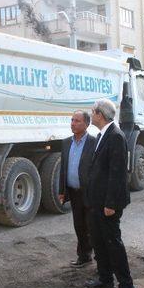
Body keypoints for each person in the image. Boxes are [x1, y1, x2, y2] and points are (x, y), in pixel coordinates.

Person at [84, 98, 135, 288]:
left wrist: (111, 204)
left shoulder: (115, 136)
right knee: (98, 241)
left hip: (108, 203)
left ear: (100, 114)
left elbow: (117, 173)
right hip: (97, 201)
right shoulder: (101, 135)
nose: (91, 114)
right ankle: (105, 278)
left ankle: (126, 285)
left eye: (93, 111)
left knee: (113, 243)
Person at [58, 110, 97, 268]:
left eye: (77, 121)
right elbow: (64, 168)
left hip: (89, 192)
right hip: (74, 192)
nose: (73, 123)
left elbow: (97, 169)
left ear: (86, 124)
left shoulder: (94, 143)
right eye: (72, 120)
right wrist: (62, 191)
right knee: (79, 225)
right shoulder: (66, 142)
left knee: (92, 226)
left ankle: (99, 259)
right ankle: (84, 256)